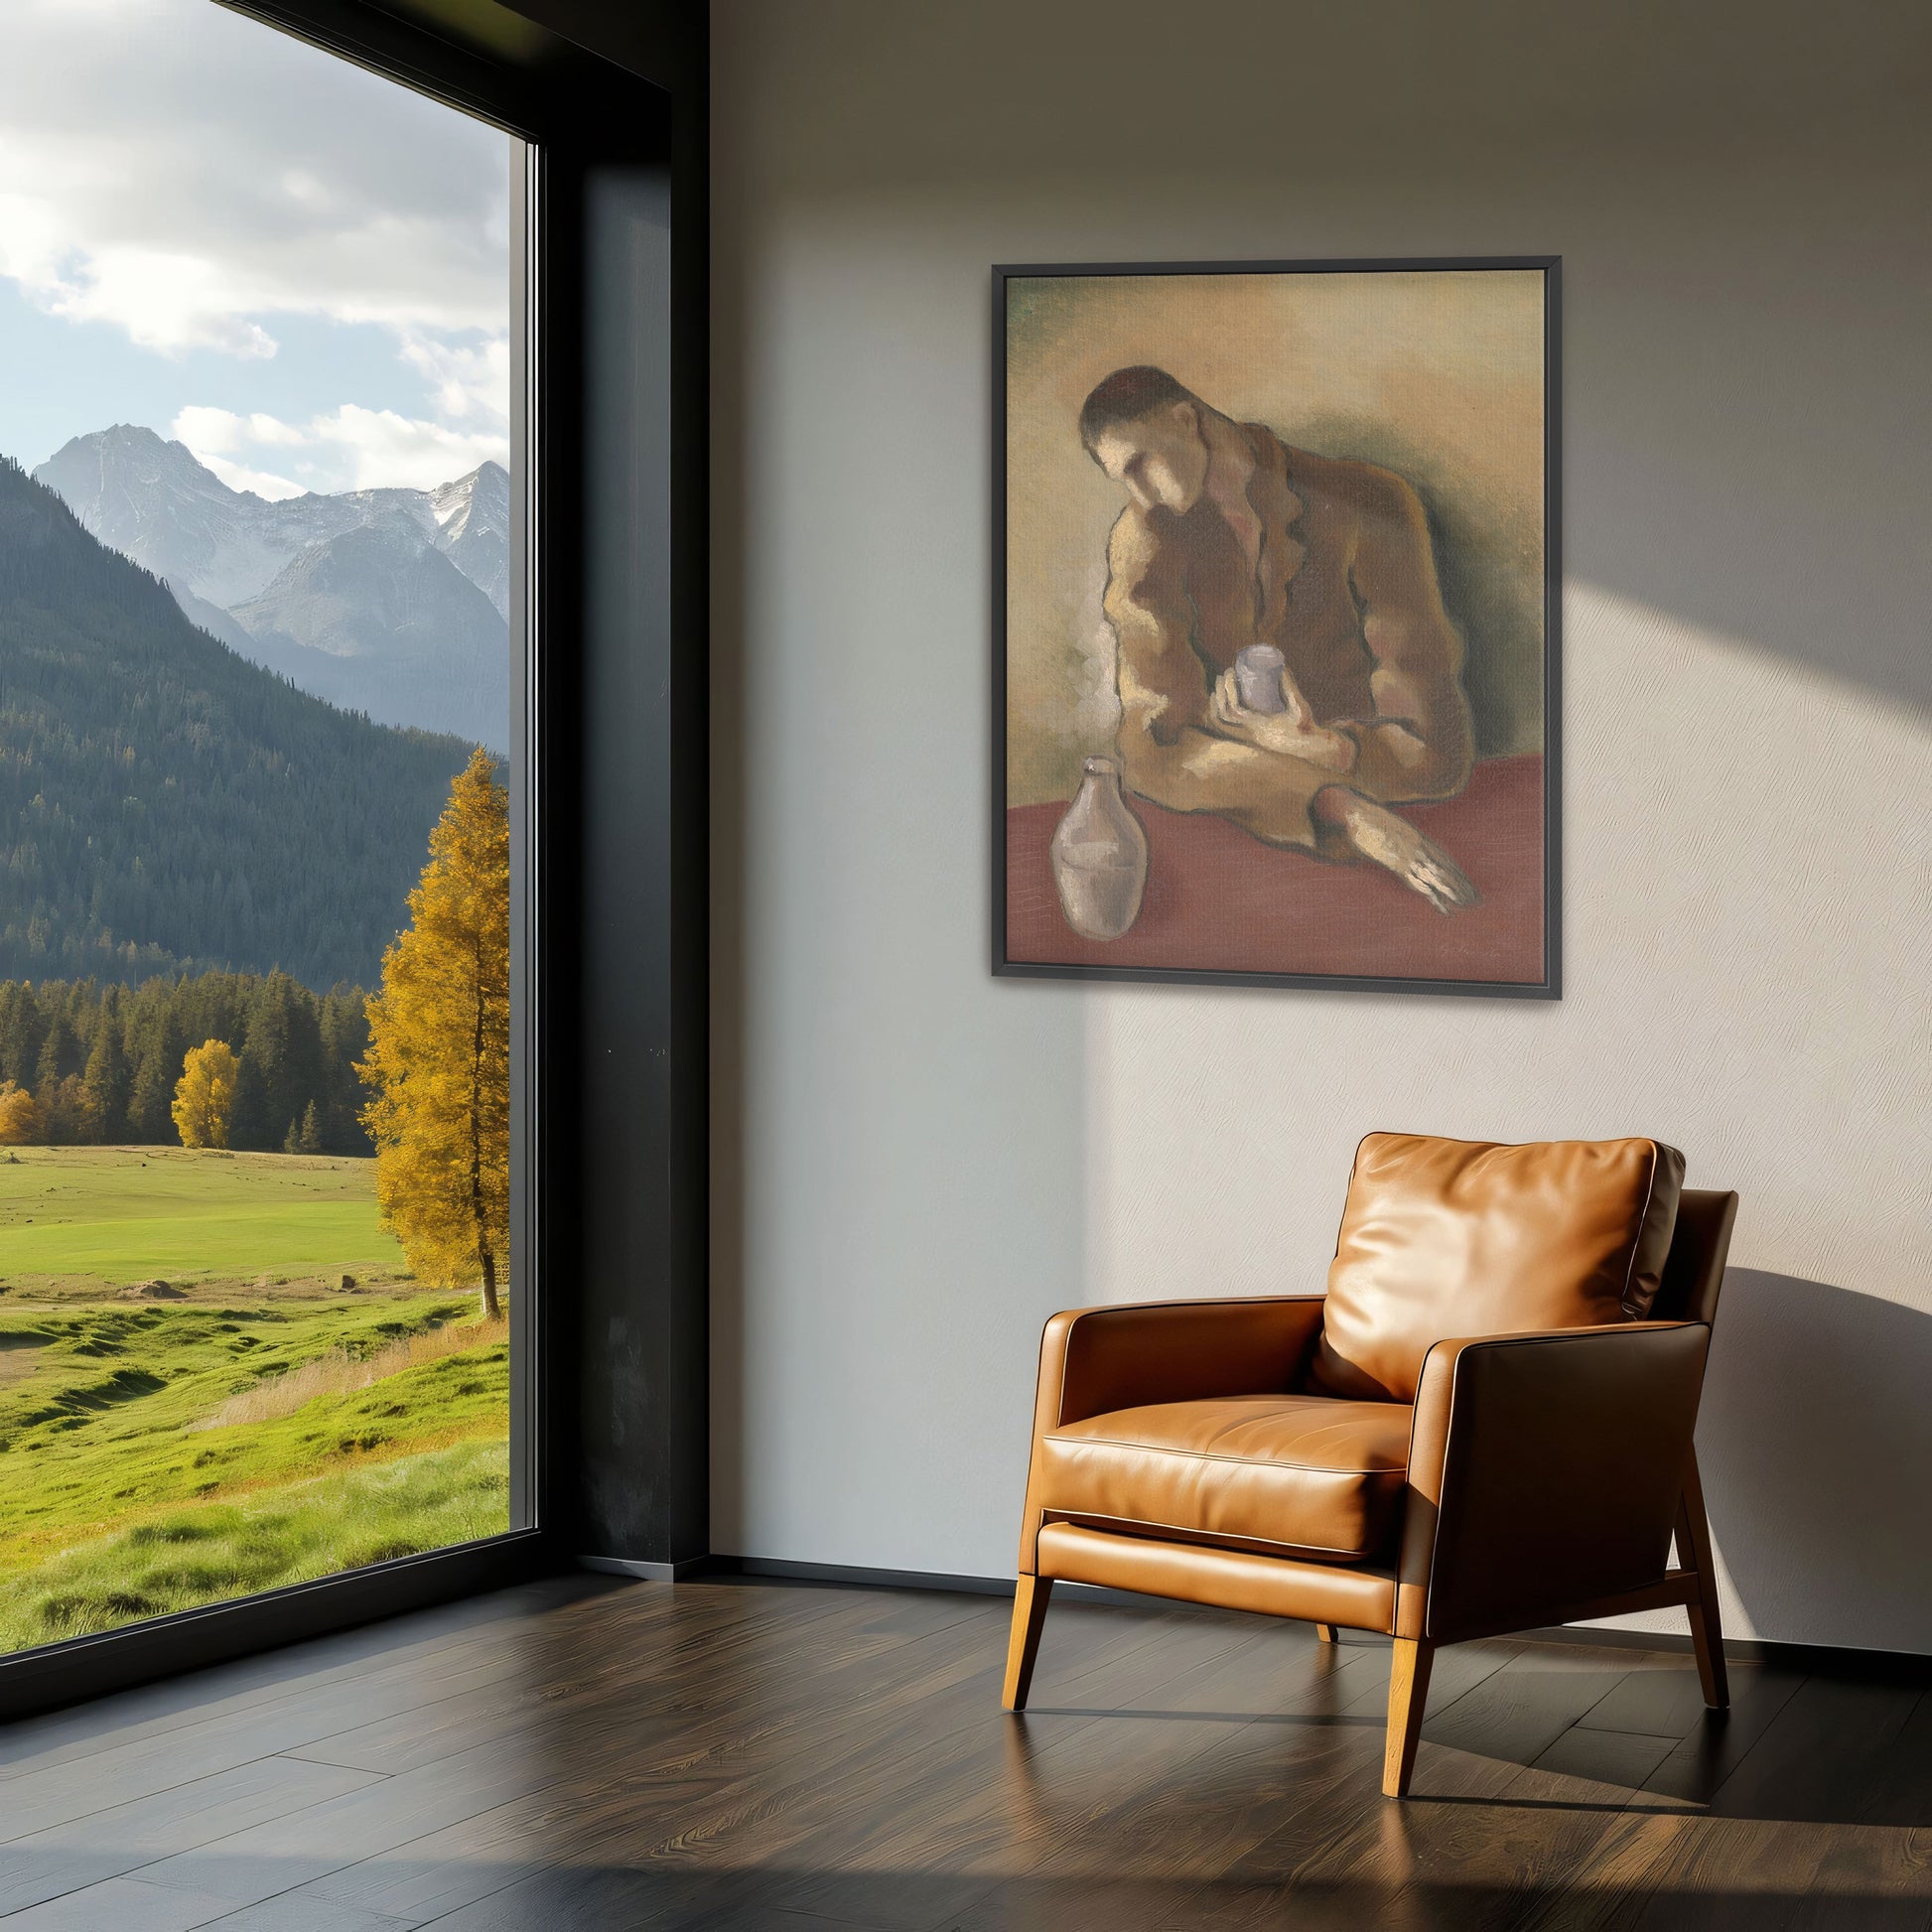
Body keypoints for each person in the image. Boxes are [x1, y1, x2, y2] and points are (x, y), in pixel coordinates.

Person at [1081, 365, 1479, 912]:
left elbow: (1438, 751)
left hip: (1413, 824)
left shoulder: (1371, 501)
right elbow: (1153, 747)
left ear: (1184, 419)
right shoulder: (1145, 539)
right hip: (1260, 837)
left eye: (1140, 464)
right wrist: (1343, 809)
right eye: (1122, 480)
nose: (1140, 495)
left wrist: (1319, 747)